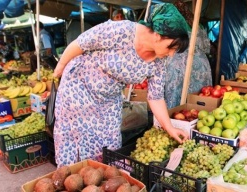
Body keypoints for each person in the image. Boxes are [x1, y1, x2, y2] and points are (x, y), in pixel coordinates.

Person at [53, 3, 190, 167]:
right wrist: (60, 68)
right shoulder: (121, 31)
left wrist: (170, 128)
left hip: (109, 99)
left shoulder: (159, 61)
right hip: (79, 88)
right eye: (171, 47)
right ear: (159, 35)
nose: (172, 54)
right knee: (75, 139)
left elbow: (155, 97)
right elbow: (80, 44)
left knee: (109, 146)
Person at [164, 1, 213, 108]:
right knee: (199, 95)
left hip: (178, 63)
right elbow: (207, 48)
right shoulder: (197, 24)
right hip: (201, 65)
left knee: (176, 93)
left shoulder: (172, 25)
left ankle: (173, 116)